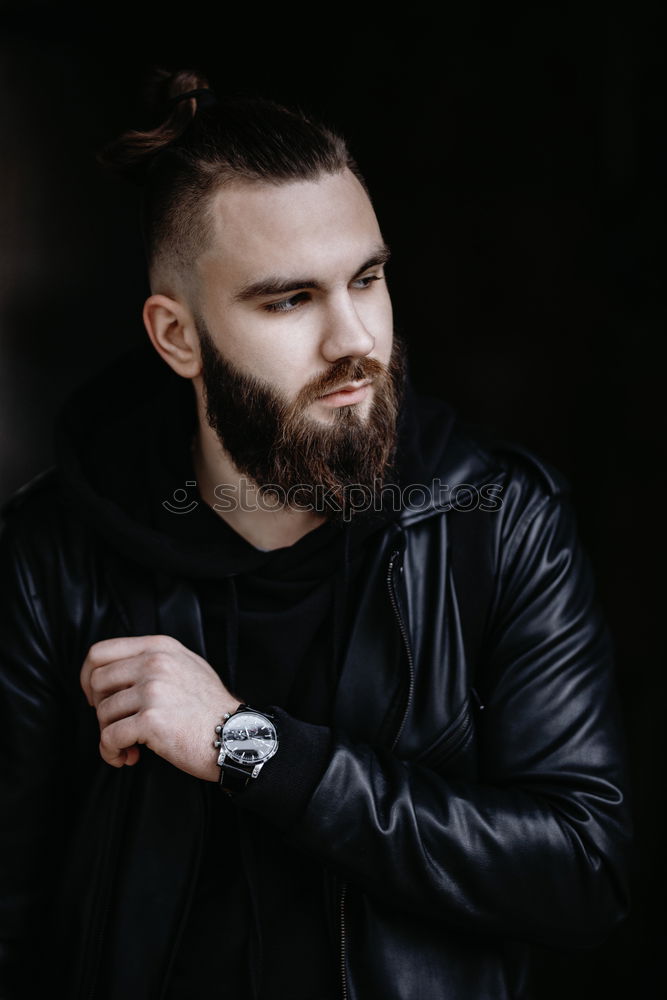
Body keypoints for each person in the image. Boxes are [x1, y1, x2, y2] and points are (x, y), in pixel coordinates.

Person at [0, 66, 633, 1000]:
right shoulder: (49, 559)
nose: (355, 341)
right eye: (288, 299)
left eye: (367, 279)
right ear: (177, 336)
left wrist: (248, 746)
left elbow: (584, 873)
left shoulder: (495, 525)